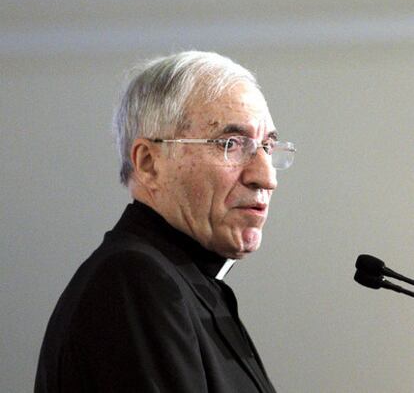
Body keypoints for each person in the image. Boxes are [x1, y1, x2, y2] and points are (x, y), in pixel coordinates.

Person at [35, 50, 295, 392]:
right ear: (148, 162)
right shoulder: (135, 282)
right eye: (231, 144)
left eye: (267, 146)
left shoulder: (189, 283)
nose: (266, 177)